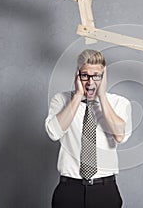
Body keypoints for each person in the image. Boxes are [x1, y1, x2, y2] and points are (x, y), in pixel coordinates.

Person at [45, 49, 132, 208]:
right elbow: (53, 132)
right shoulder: (61, 100)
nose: (90, 82)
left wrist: (102, 97)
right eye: (85, 75)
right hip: (69, 190)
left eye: (97, 76)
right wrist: (78, 96)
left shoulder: (120, 103)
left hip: (105, 191)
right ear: (77, 75)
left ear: (104, 76)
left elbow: (120, 136)